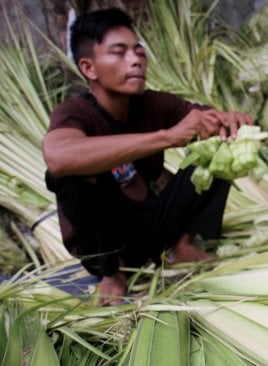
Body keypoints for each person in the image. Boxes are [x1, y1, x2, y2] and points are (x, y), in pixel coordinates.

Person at [41, 7, 252, 306]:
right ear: (89, 68)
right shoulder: (75, 112)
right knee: (68, 176)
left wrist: (229, 121)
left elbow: (203, 118)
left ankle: (182, 246)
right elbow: (58, 156)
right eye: (119, 52)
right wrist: (168, 137)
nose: (136, 59)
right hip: (106, 243)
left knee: (221, 145)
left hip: (153, 231)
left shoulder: (153, 103)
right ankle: (111, 275)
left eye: (138, 50)